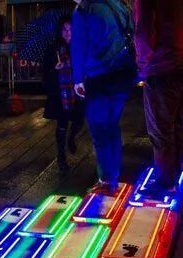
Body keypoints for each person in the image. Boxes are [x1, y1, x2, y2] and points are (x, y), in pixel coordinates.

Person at [72, 0, 137, 193]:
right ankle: (113, 176)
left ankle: (107, 181)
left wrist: (78, 79)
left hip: (99, 76)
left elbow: (78, 46)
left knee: (99, 129)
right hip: (123, 73)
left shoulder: (82, 10)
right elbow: (132, 30)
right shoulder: (116, 3)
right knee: (112, 126)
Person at [134, 0, 183, 194]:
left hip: (161, 66)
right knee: (178, 125)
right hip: (179, 62)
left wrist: (143, 67)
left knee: (160, 129)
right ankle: (177, 172)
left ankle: (166, 181)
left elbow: (144, 31)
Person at [42, 17, 85, 174]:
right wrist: (55, 69)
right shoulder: (53, 49)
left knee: (79, 120)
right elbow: (44, 72)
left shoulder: (78, 47)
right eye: (64, 30)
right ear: (60, 32)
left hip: (77, 91)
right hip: (61, 94)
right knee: (62, 125)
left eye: (70, 29)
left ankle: (72, 137)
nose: (67, 33)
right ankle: (61, 158)